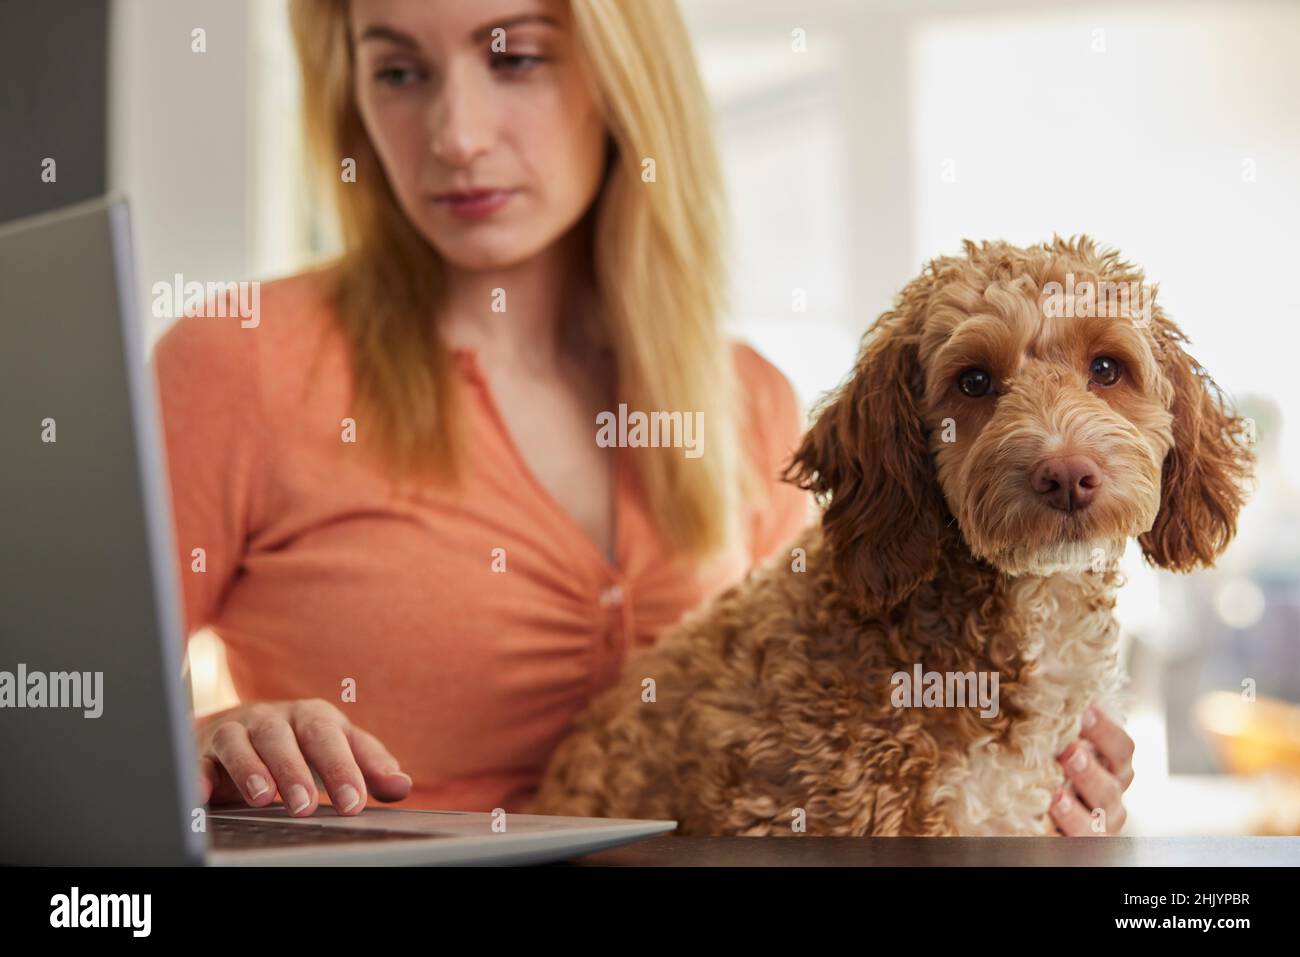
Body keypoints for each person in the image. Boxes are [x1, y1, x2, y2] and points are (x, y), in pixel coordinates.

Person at [153, 0, 1133, 836]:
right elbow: (57, 722)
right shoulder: (236, 364)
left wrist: (1019, 787)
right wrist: (194, 746)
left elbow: (831, 728)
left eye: (515, 56)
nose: (454, 134)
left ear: (621, 72)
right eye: (398, 72)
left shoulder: (747, 401)